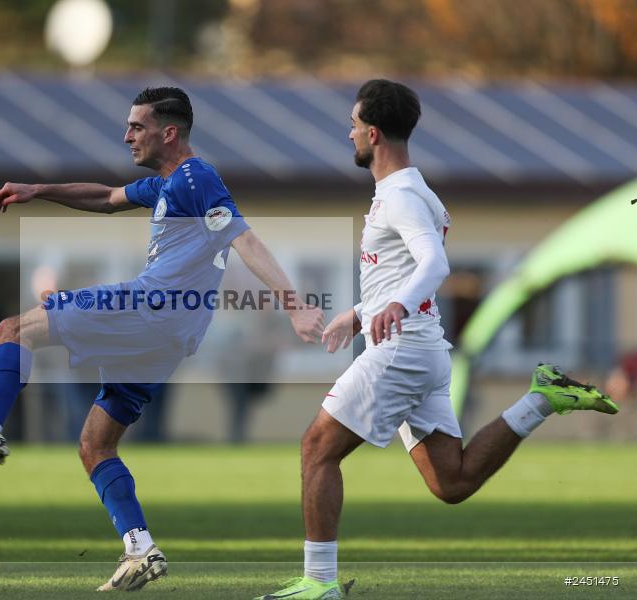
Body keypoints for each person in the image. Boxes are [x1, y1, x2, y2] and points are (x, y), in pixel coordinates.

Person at [0, 87, 325, 591]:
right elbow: (107, 198)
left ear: (169, 132)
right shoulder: (164, 187)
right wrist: (37, 189)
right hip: (167, 339)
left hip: (148, 308)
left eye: (137, 126)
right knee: (95, 445)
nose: (127, 135)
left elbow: (243, 237)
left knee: (12, 329)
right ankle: (140, 549)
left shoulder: (195, 176)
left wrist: (293, 304)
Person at [256, 80, 619, 600]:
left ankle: (318, 584)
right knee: (453, 482)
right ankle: (541, 399)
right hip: (422, 349)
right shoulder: (413, 191)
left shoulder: (401, 194)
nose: (349, 133)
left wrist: (395, 308)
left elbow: (433, 264)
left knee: (317, 447)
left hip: (402, 350)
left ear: (373, 133)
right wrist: (358, 316)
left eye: (355, 125)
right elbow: (400, 273)